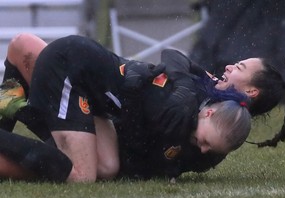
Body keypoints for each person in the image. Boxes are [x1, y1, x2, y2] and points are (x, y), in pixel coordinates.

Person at [0, 33, 251, 182]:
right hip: (71, 68)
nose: (205, 150)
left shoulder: (200, 121)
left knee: (107, 167)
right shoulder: (176, 109)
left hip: (91, 91)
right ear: (208, 112)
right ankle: (19, 111)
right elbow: (173, 56)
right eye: (207, 142)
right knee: (82, 176)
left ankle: (18, 108)